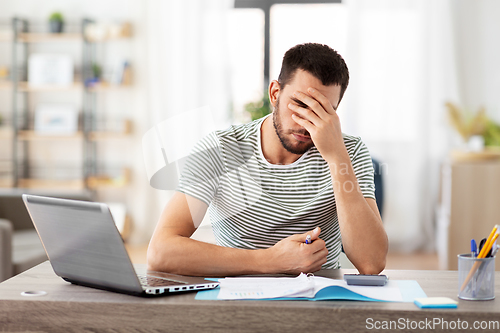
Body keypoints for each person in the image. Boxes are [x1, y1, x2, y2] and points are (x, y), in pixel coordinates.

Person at [147, 43, 388, 276]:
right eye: (300, 104)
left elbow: (371, 263)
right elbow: (161, 252)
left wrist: (336, 157)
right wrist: (272, 261)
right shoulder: (221, 148)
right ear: (275, 93)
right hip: (240, 295)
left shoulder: (350, 151)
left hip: (322, 298)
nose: (306, 123)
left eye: (323, 111)